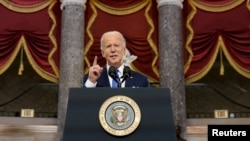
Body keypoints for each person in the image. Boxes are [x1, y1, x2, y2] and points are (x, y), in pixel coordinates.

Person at [82, 31, 150, 88]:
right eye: (108, 46)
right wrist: (91, 81)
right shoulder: (91, 78)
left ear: (124, 50)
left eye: (116, 45)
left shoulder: (141, 80)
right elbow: (83, 103)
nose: (113, 50)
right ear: (103, 53)